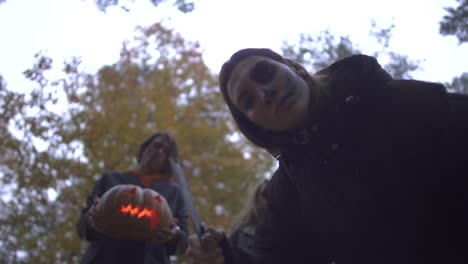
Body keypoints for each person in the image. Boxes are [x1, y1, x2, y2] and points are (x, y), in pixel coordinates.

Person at [187, 48, 468, 264]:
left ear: (295, 68)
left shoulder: (394, 102)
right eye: (248, 101)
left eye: (264, 73)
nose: (265, 93)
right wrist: (226, 257)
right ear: (254, 126)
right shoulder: (288, 195)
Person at [77, 132, 189, 264]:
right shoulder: (110, 179)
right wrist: (91, 220)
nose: (159, 151)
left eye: (166, 152)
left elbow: (183, 242)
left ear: (168, 161)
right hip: (104, 258)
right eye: (157, 146)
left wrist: (173, 235)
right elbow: (82, 226)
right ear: (144, 149)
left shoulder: (174, 192)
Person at [228, 178, 269, 250]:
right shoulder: (240, 232)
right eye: (264, 194)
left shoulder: (284, 232)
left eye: (271, 195)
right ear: (256, 199)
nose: (268, 200)